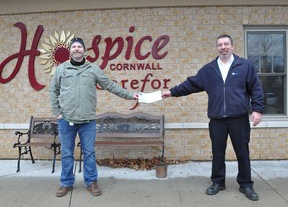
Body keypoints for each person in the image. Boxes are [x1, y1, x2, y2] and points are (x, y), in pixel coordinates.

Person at [161, 34, 264, 201]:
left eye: (226, 44)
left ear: (232, 46)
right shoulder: (209, 69)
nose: (223, 47)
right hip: (217, 119)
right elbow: (191, 84)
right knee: (217, 152)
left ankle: (246, 184)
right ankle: (218, 182)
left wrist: (257, 110)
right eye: (220, 45)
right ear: (217, 48)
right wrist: (171, 92)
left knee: (242, 152)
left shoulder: (245, 66)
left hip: (239, 118)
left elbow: (256, 89)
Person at [49, 37, 139, 197]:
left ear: (84, 50)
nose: (77, 49)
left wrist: (130, 95)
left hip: (87, 120)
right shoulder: (61, 69)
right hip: (66, 120)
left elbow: (110, 85)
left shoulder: (93, 69)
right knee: (67, 153)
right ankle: (66, 183)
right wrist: (57, 112)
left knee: (89, 152)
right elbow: (53, 90)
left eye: (79, 47)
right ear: (70, 51)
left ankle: (91, 182)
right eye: (74, 47)